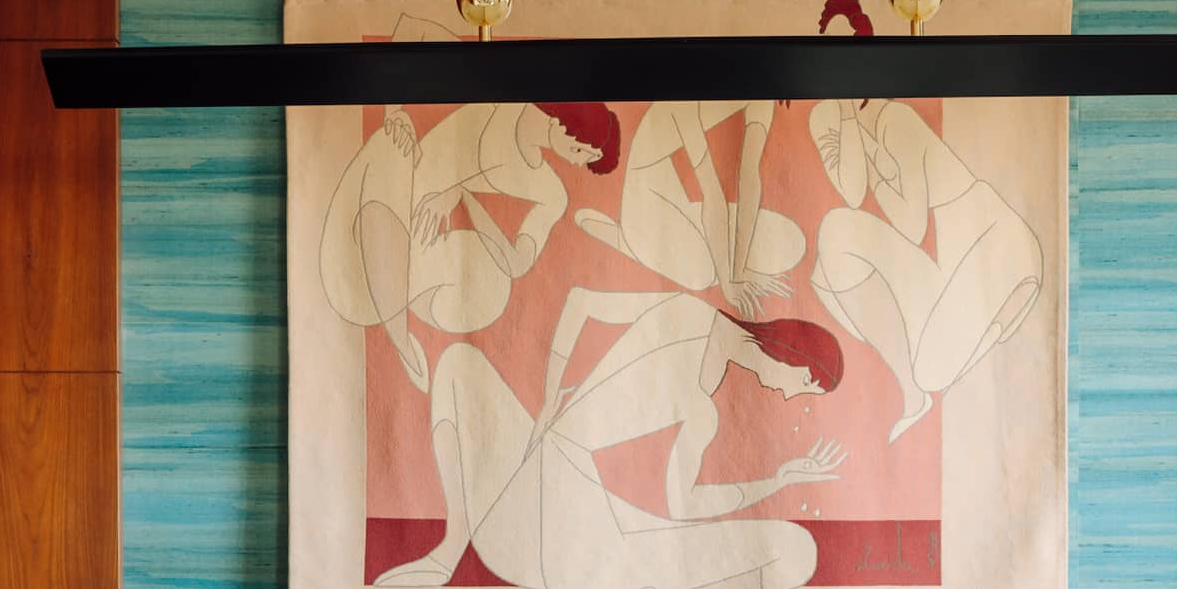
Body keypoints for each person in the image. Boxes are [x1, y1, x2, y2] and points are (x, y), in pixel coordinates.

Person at [375, 287, 847, 589]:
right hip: (560, 545)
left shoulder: (686, 311)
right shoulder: (701, 405)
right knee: (795, 549)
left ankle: (451, 550)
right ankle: (451, 551)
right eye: (804, 388)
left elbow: (580, 302)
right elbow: (686, 505)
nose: (789, 396)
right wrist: (776, 482)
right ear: (801, 364)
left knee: (459, 362)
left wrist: (552, 397)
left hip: (548, 513)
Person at [318, 99, 620, 388]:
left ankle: (401, 330)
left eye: (587, 159)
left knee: (493, 287)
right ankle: (402, 342)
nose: (577, 162)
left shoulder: (552, 193)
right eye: (581, 150)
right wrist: (393, 111)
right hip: (375, 216)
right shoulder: (500, 103)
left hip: (417, 256)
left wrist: (465, 197)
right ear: (561, 121)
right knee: (388, 148)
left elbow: (517, 264)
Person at [809, 97, 1043, 441]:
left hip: (999, 251)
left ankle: (965, 357)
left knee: (931, 372)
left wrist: (861, 144)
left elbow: (911, 226)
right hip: (955, 270)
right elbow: (854, 194)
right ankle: (919, 391)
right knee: (832, 249)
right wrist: (853, 137)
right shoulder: (855, 131)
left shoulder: (895, 119)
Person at [574, 101, 804, 316]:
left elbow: (749, 178)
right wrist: (728, 282)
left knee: (792, 241)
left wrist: (740, 270)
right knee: (703, 275)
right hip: (645, 201)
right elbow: (712, 192)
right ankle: (627, 239)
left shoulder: (762, 99)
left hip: (678, 197)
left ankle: (665, 245)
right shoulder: (684, 103)